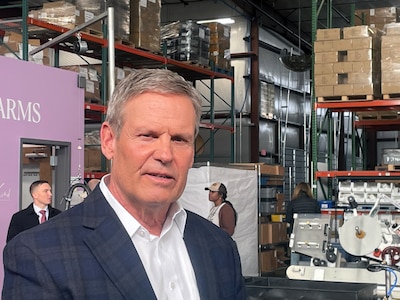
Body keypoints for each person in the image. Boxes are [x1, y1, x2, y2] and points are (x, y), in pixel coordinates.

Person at [2, 68, 246, 299]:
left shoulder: (219, 247)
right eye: (147, 136)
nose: (165, 154)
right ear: (109, 141)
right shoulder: (39, 255)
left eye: (180, 139)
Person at [286, 182, 321, 265]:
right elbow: (319, 219)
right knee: (311, 256)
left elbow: (288, 219)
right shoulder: (314, 202)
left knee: (295, 256)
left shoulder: (292, 203)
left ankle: (294, 274)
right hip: (311, 234)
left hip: (296, 233)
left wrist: (289, 233)